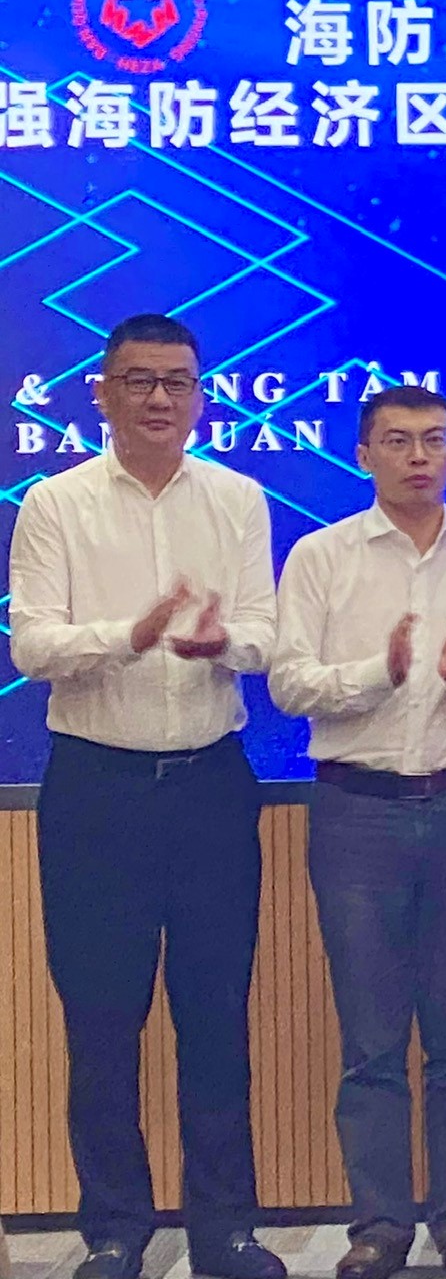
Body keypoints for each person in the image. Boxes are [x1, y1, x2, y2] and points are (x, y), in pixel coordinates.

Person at [8, 314, 283, 1279]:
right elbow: (32, 646)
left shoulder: (238, 499)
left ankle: (227, 1232)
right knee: (101, 1021)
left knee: (216, 1018)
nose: (160, 398)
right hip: (97, 789)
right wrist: (129, 635)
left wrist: (223, 644)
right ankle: (115, 1230)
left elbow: (266, 635)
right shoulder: (56, 503)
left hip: (211, 786)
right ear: (103, 393)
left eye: (177, 381)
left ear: (201, 396)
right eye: (139, 381)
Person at [269, 386, 446, 1279]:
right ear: (363, 454)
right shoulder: (320, 556)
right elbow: (288, 685)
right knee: (371, 1038)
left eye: (435, 440)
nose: (420, 456)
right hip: (356, 810)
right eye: (399, 441)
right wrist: (382, 671)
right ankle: (378, 1227)